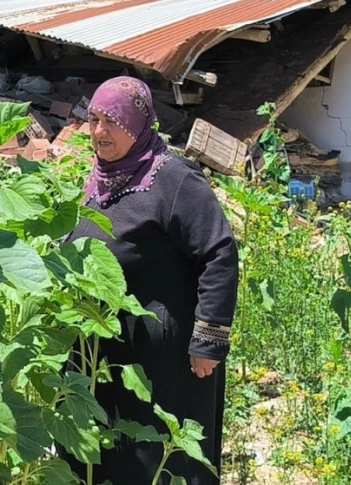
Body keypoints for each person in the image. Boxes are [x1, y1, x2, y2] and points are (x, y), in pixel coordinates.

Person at [64, 76, 239, 485]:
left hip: (165, 362)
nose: (99, 132)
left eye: (112, 121)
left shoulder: (174, 182)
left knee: (160, 460)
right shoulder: (102, 178)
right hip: (104, 352)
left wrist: (208, 342)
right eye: (93, 120)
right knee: (113, 457)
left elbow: (219, 254)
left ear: (138, 125)